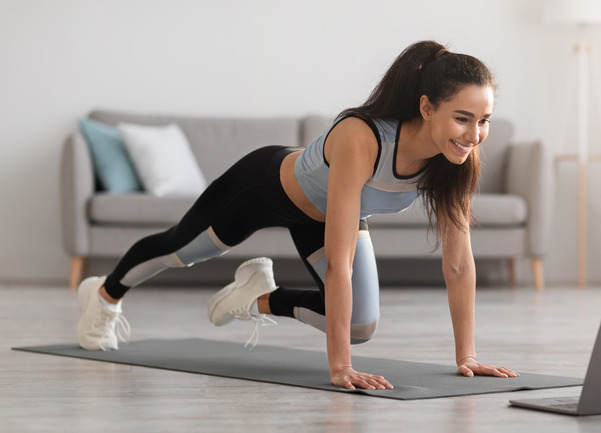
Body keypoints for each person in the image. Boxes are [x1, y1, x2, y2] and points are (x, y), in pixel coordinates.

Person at [76, 40, 519, 390]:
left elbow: (459, 262)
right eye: (464, 118)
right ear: (427, 108)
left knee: (361, 324)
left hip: (328, 216)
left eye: (485, 120)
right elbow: (341, 260)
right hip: (264, 188)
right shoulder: (362, 137)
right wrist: (341, 366)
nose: (475, 134)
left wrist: (467, 357)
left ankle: (254, 296)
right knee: (181, 251)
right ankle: (103, 297)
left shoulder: (457, 161)